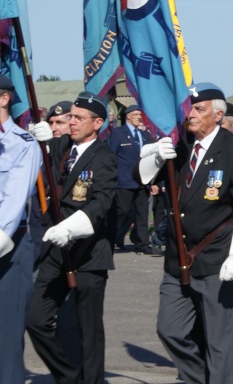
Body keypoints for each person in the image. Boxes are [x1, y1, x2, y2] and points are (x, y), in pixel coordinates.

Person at [136, 82, 233, 382]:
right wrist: (154, 154)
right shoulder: (179, 146)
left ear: (218, 115)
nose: (190, 115)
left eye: (198, 109)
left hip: (218, 258)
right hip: (178, 259)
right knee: (170, 329)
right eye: (188, 109)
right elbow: (139, 179)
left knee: (221, 344)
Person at [27, 92, 117, 384]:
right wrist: (31, 138)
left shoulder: (104, 158)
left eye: (79, 118)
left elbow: (100, 203)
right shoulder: (62, 146)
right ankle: (68, 376)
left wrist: (70, 226)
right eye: (70, 117)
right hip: (55, 251)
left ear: (98, 123)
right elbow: (32, 161)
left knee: (88, 330)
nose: (71, 122)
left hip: (87, 253)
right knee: (36, 320)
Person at [0, 74, 43, 383]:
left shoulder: (22, 144)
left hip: (8, 244)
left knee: (5, 335)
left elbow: (13, 201)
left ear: (3, 99)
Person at [107, 105, 155, 253]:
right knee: (123, 212)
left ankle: (143, 244)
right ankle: (112, 237)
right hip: (125, 180)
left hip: (143, 180)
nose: (139, 117)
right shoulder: (118, 133)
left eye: (140, 114)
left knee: (142, 214)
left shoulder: (145, 135)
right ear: (127, 116)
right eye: (135, 114)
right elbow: (110, 156)